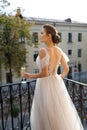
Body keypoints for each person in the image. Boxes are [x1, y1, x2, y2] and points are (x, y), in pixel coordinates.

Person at [21, 24, 84, 130]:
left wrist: (28, 75)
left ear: (49, 35)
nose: (40, 35)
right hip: (56, 83)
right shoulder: (58, 50)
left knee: (47, 113)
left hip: (45, 84)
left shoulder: (42, 51)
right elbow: (66, 69)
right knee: (58, 113)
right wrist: (59, 78)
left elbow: (45, 73)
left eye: (42, 33)